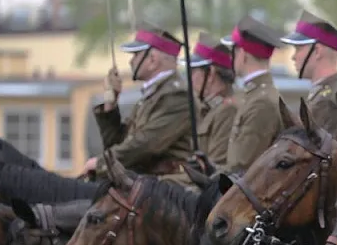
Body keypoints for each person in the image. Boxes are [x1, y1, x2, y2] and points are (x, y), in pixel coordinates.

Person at [83, 24, 192, 179]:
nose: (131, 62)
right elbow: (118, 143)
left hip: (169, 186)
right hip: (144, 181)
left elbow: (146, 145)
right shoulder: (152, 95)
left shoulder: (177, 96)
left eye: (136, 55)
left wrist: (101, 163)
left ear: (153, 60)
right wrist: (111, 104)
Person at [221, 16, 288, 173]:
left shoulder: (261, 102)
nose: (231, 58)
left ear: (243, 54)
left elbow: (241, 165)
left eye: (234, 52)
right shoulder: (256, 95)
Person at [281, 11, 337, 140]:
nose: (293, 57)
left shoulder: (331, 99)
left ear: (317, 51)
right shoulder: (325, 92)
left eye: (298, 49)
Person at [180, 35, 236, 172]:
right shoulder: (209, 108)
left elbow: (211, 172)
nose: (190, 79)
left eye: (193, 72)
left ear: (210, 74)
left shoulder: (227, 111)